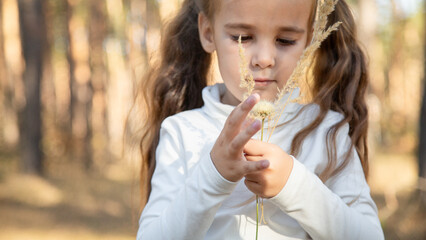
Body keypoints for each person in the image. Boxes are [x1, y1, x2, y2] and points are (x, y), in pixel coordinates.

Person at [136, 0, 384, 239]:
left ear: (309, 40)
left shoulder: (327, 131)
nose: (264, 59)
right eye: (242, 38)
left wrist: (293, 184)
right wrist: (214, 175)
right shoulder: (183, 132)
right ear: (208, 32)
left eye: (285, 40)